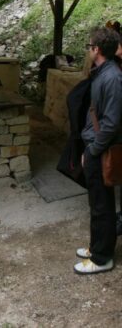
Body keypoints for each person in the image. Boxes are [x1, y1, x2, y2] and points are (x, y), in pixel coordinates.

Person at [75, 27, 122, 274]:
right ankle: (97, 247)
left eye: (89, 45)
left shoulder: (112, 77)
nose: (88, 49)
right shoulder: (103, 73)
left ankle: (102, 258)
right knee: (96, 202)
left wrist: (93, 149)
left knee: (102, 205)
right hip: (95, 147)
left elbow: (112, 122)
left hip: (100, 149)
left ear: (97, 50)